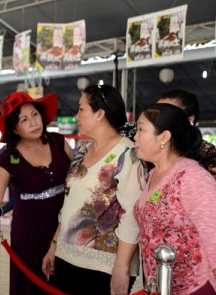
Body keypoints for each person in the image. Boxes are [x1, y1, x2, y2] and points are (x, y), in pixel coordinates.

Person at [42, 84, 146, 295]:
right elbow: (69, 202)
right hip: (67, 257)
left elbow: (131, 217)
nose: (76, 115)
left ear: (100, 114)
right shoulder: (83, 151)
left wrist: (121, 268)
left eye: (81, 109)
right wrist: (54, 245)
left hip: (104, 265)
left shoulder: (128, 155)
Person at [0, 91, 73, 295]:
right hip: (29, 234)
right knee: (31, 285)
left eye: (35, 114)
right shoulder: (8, 158)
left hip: (65, 227)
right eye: (24, 119)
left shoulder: (59, 142)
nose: (33, 122)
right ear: (14, 128)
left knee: (64, 283)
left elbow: (78, 179)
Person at [133, 103, 216, 295]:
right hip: (161, 287)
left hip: (196, 288)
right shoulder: (153, 173)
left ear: (164, 137)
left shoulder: (191, 176)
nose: (135, 136)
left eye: (141, 129)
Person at [156, 89, 216, 176]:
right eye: (155, 113)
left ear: (190, 119)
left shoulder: (209, 155)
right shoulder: (149, 148)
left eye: (167, 113)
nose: (158, 119)